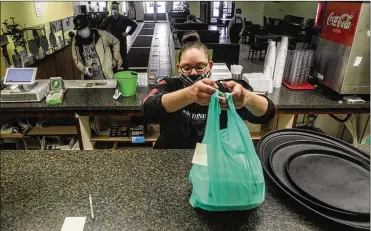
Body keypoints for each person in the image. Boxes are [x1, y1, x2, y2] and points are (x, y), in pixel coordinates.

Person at [142, 32, 276, 149]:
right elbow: (148, 107)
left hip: (214, 158)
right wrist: (189, 94)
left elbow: (268, 113)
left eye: (200, 67)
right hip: (172, 154)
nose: (193, 72)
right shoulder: (169, 84)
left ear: (210, 65)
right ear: (178, 68)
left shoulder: (224, 89)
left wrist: (247, 98)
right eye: (187, 68)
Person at [72, 15, 122, 80]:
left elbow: (116, 42)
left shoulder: (102, 35)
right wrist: (83, 68)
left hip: (105, 73)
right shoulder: (75, 42)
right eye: (80, 29)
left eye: (84, 28)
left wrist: (115, 58)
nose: (83, 31)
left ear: (89, 26)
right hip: (90, 76)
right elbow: (76, 60)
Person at [100, 1, 137, 70]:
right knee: (113, 57)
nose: (114, 11)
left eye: (115, 9)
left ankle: (126, 71)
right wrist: (106, 34)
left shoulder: (124, 19)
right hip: (112, 42)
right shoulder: (108, 19)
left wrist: (128, 33)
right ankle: (114, 72)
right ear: (111, 11)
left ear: (118, 10)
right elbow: (101, 28)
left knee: (124, 56)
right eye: (113, 10)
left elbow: (134, 25)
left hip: (121, 40)